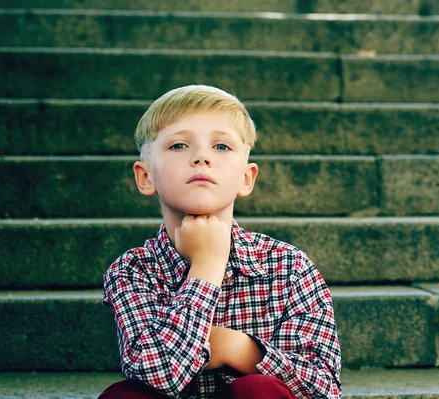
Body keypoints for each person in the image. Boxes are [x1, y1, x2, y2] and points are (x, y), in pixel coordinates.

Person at [100, 85, 342, 398]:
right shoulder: (134, 271)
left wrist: (238, 349)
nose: (201, 157)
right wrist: (207, 265)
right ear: (146, 177)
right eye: (178, 145)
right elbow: (156, 374)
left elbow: (323, 388)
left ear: (246, 178)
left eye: (221, 147)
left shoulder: (289, 266)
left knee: (259, 389)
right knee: (125, 396)